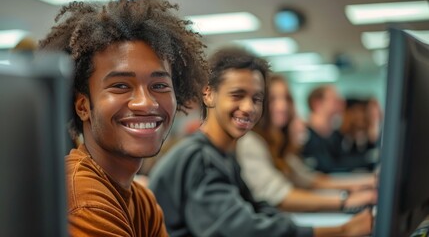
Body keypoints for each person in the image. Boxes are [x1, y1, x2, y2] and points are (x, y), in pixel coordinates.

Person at [149, 47, 372, 237]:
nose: (249, 108)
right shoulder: (200, 158)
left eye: (257, 99)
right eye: (237, 95)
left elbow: (256, 208)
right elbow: (245, 231)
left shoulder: (223, 154)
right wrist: (342, 230)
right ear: (208, 94)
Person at [39, 0, 208, 236]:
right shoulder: (82, 198)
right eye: (120, 86)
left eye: (159, 86)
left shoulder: (142, 201)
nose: (146, 102)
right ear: (82, 106)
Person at [236, 75, 377, 213]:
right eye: (273, 99)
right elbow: (280, 197)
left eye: (286, 98)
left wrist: (365, 183)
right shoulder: (251, 142)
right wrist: (345, 200)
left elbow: (311, 180)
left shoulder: (279, 145)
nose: (282, 106)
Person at [301, 85, 365, 173]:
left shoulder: (335, 135)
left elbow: (342, 161)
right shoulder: (304, 135)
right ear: (317, 103)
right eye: (334, 100)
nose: (341, 103)